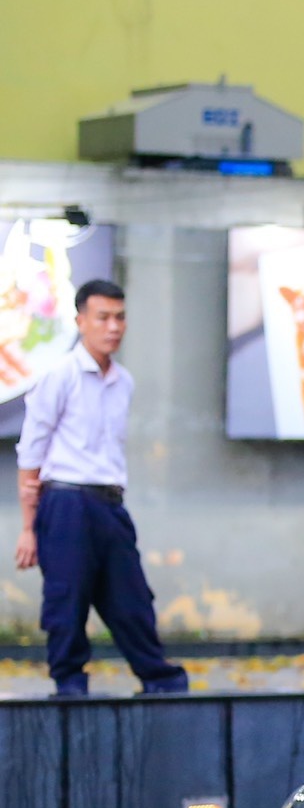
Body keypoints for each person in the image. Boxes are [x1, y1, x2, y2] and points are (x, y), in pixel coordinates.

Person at [11, 279, 187, 699]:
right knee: (66, 601)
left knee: (133, 600)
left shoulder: (122, 381)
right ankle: (69, 688)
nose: (113, 327)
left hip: (110, 504)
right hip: (65, 502)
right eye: (103, 317)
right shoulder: (60, 375)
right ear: (81, 321)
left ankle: (162, 684)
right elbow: (31, 449)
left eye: (120, 317)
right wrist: (28, 527)